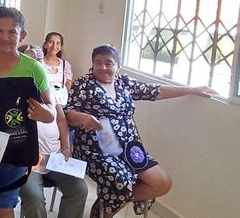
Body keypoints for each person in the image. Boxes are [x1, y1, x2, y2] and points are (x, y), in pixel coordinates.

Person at [66, 45, 216, 217]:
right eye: (98, 63)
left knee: (161, 183)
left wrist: (192, 90)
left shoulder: (124, 83)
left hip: (129, 148)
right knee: (121, 182)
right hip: (95, 150)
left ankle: (107, 201)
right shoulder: (83, 85)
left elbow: (155, 91)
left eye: (109, 63)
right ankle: (105, 211)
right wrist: (82, 117)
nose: (103, 67)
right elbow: (68, 113)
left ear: (118, 66)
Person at [0, 6, 55, 218]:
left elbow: (51, 109)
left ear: (22, 35)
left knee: (4, 206)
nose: (4, 37)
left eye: (12, 32)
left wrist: (44, 113)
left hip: (14, 147)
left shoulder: (33, 68)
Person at [15, 45, 87, 218]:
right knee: (34, 196)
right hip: (28, 160)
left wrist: (65, 146)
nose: (34, 67)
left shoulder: (49, 90)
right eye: (29, 62)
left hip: (55, 157)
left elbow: (61, 119)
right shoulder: (14, 92)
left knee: (80, 189)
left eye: (37, 63)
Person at [41, 32, 74, 106]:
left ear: (61, 47)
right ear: (45, 44)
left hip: (60, 102)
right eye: (51, 42)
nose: (54, 46)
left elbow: (68, 85)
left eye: (58, 43)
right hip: (43, 101)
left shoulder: (65, 65)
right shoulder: (39, 62)